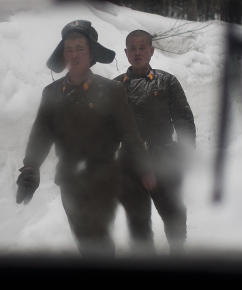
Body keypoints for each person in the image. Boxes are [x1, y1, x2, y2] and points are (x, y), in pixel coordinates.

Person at [16, 20, 155, 255]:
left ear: (91, 53)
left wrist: (144, 170)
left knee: (96, 239)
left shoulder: (111, 91)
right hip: (69, 180)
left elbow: (130, 133)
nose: (74, 54)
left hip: (102, 176)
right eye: (69, 49)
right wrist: (30, 167)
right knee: (86, 241)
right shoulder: (51, 93)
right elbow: (41, 133)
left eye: (80, 48)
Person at [114, 30, 196, 252]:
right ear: (126, 53)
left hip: (164, 157)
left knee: (173, 213)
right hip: (130, 163)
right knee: (138, 222)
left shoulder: (167, 81)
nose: (137, 52)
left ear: (151, 51)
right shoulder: (115, 87)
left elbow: (184, 118)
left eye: (142, 47)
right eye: (132, 48)